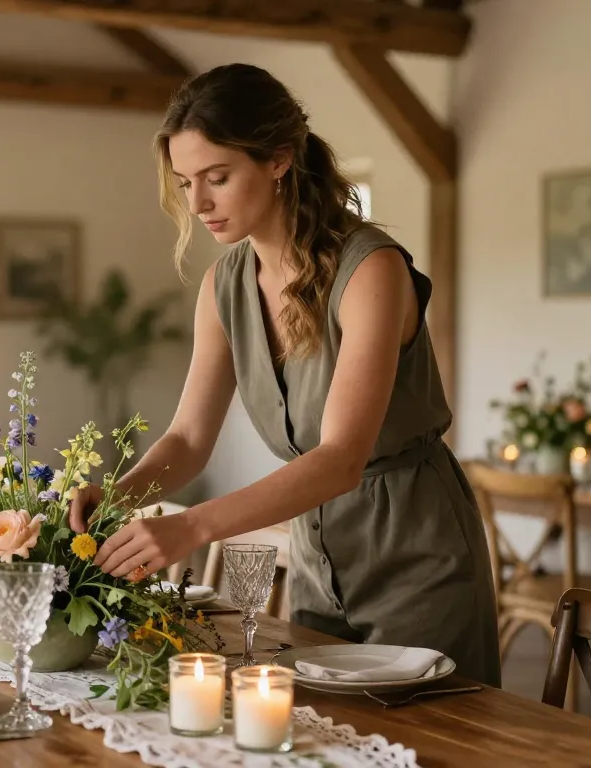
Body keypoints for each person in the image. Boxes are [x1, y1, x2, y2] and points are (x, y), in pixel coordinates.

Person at [68, 63, 501, 686]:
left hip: (419, 559)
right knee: (318, 738)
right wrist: (114, 500)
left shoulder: (371, 269)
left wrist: (188, 526)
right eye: (186, 181)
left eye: (218, 177)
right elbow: (189, 439)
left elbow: (341, 459)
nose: (198, 203)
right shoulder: (224, 286)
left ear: (279, 160)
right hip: (317, 564)